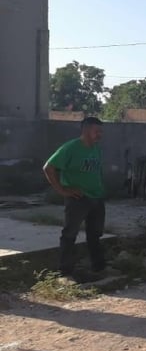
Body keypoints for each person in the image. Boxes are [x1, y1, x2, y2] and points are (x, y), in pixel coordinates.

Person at [43, 117, 108, 282]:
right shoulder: (71, 148)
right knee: (69, 234)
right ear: (86, 131)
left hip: (96, 198)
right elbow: (49, 167)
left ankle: (99, 267)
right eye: (97, 131)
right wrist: (61, 190)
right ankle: (65, 272)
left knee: (95, 234)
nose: (100, 135)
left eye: (101, 131)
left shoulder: (96, 148)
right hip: (78, 199)